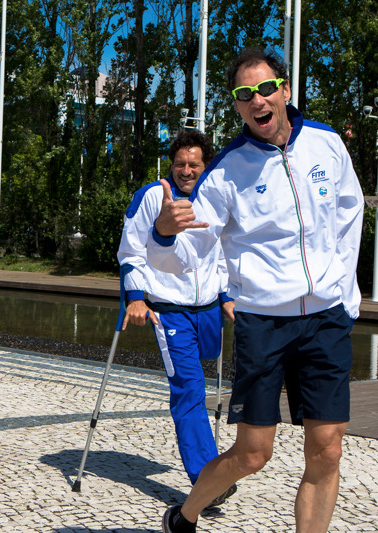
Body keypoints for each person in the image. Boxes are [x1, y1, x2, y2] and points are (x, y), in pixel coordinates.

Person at [149, 49, 364, 533]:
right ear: (238, 106)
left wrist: (347, 293)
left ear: (285, 90)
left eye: (266, 88)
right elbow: (185, 257)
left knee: (328, 447)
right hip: (263, 322)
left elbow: (350, 215)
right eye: (245, 95)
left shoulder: (327, 145)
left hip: (326, 316)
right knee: (253, 453)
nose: (258, 100)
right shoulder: (225, 170)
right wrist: (164, 233)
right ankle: (184, 515)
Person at [117, 130, 236, 504]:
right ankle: (206, 478)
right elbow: (131, 251)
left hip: (208, 308)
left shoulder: (216, 197)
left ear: (207, 166)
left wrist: (228, 295)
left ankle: (212, 465)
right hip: (169, 309)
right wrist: (136, 298)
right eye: (180, 164)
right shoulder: (153, 197)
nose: (186, 171)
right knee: (189, 388)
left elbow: (225, 251)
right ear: (171, 165)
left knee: (208, 385)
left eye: (194, 164)